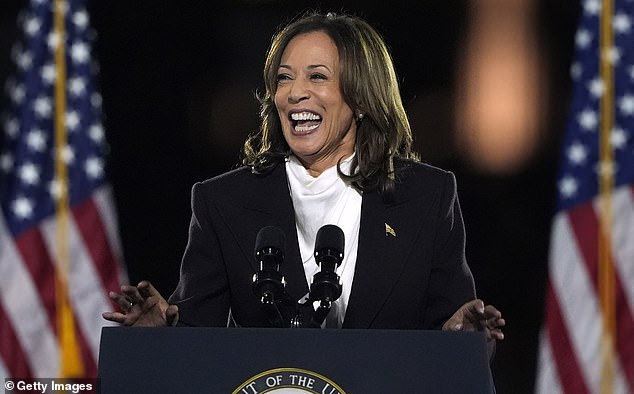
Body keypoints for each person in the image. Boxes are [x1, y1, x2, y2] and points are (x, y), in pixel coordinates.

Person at [103, 11, 505, 342]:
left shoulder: (426, 196)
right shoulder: (221, 202)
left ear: (362, 96)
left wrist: (465, 338)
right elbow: (197, 336)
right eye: (283, 77)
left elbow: (455, 331)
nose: (294, 93)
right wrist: (159, 332)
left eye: (316, 76)